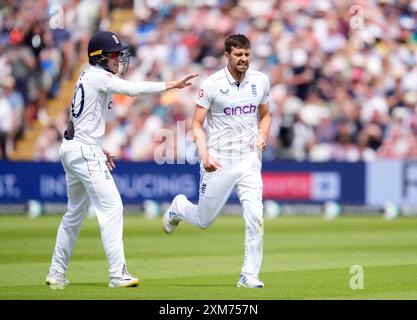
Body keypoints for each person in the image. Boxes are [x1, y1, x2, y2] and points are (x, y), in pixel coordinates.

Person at [45, 31, 198, 288]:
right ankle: (118, 274)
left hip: (73, 147)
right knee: (112, 208)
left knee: (74, 214)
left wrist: (96, 146)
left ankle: (56, 272)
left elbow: (81, 118)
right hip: (82, 150)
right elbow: (132, 89)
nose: (119, 59)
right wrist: (171, 84)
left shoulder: (85, 74)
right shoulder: (98, 76)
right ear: (100, 57)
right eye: (114, 55)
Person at [162, 34, 271, 288]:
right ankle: (178, 206)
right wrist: (205, 154)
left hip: (249, 159)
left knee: (255, 215)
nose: (244, 59)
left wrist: (263, 135)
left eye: (247, 54)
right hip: (219, 159)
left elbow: (265, 116)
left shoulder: (260, 80)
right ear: (227, 56)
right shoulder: (212, 85)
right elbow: (196, 125)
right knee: (203, 220)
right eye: (238, 55)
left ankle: (249, 275)